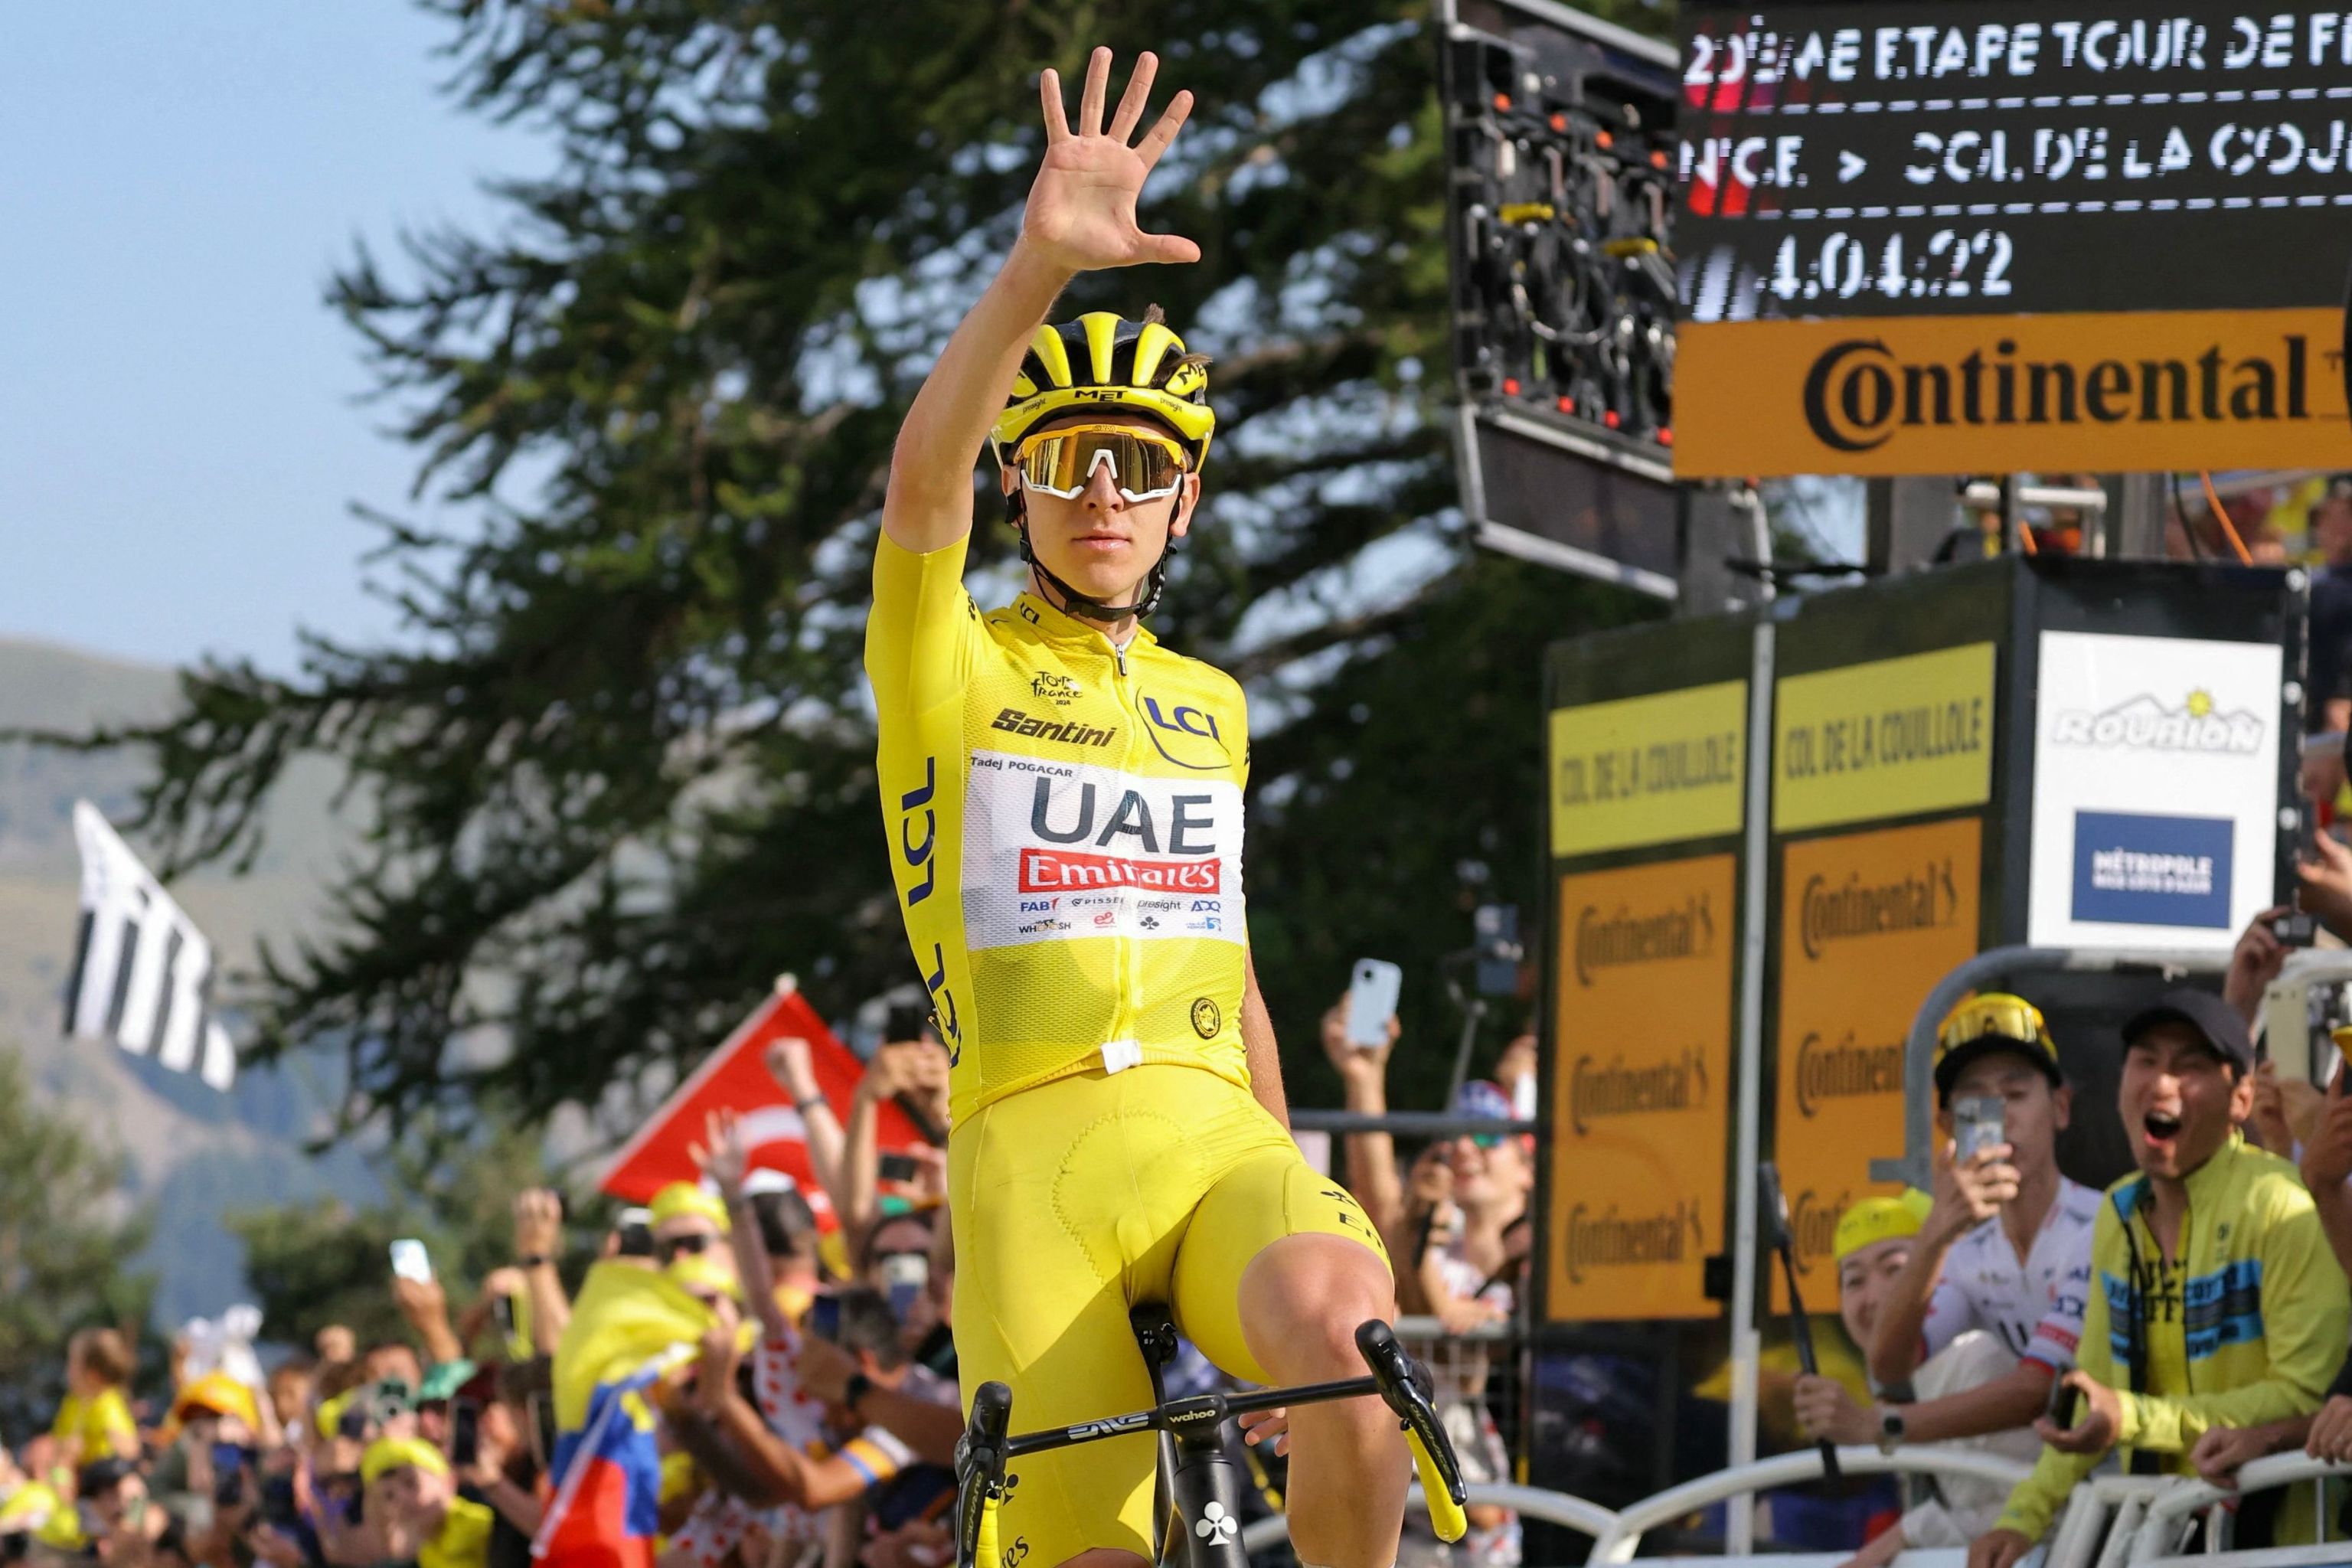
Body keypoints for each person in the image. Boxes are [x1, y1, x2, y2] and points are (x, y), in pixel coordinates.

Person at [865, 44, 1400, 1568]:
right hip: (1033, 1162)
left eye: (1141, 467)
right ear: (1022, 484)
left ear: (1185, 504)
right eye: (1068, 462)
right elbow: (917, 489)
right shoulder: (948, 664)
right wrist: (1037, 267)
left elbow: (1224, 965)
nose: (1104, 492)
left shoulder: (1215, 706)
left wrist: (1291, 1161)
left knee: (1353, 1355)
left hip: (1214, 1139)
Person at [1968, 991, 2352, 1567]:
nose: (2162, 1084)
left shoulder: (2282, 1204)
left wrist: (2134, 1419)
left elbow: (2306, 1396)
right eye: (2146, 1061)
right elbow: (2094, 1389)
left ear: (2240, 1099)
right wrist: (2022, 1518)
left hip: (2282, 1552)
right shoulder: (2118, 1210)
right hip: (2157, 1540)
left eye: (2190, 1067)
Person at [1862, 995, 2099, 1449]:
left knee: (1979, 1361)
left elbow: (2037, 1392)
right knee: (1967, 1360)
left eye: (2015, 1095)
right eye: (1977, 1105)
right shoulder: (1963, 1251)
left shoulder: (2105, 1222)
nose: (2002, 1117)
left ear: (2060, 1107)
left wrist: (1882, 1426)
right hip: (2027, 1493)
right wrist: (1934, 1235)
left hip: (2110, 1490)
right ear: (1949, 1127)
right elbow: (1890, 1369)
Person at [1795, 1193, 2040, 1566]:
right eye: (1854, 1280)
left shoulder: (1978, 1361)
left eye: (1896, 1270)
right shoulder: (1894, 1387)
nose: (1875, 1297)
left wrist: (1906, 1536)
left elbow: (2042, 1510)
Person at [361, 1438, 494, 1568]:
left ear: (448, 1482)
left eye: (411, 1483)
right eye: (389, 1496)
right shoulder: (421, 1548)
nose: (402, 1500)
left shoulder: (484, 1528)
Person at [51, 1329, 141, 1469]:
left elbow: (130, 1449)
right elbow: (57, 1441)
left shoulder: (107, 1404)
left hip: (101, 1476)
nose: (67, 1369)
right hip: (73, 1473)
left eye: (73, 1363)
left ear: (93, 1375)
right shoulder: (73, 1402)